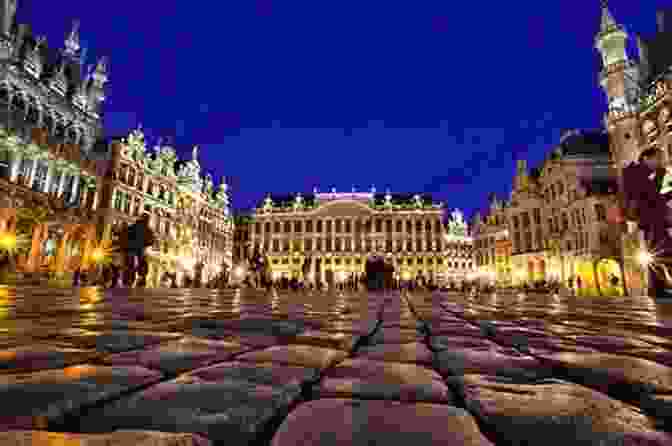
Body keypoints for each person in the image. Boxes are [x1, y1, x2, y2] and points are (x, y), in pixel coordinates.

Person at [623, 147, 672, 298]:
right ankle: (657, 288)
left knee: (659, 253)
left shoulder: (648, 174)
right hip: (650, 219)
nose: (660, 161)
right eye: (658, 158)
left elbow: (655, 196)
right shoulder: (635, 173)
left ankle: (657, 288)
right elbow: (644, 196)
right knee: (663, 251)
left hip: (655, 218)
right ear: (646, 158)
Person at [121, 214, 156, 287]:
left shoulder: (133, 227)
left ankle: (129, 278)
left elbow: (125, 234)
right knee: (141, 262)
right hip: (137, 248)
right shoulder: (146, 229)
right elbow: (151, 239)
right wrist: (147, 244)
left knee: (131, 263)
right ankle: (139, 278)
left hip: (131, 248)